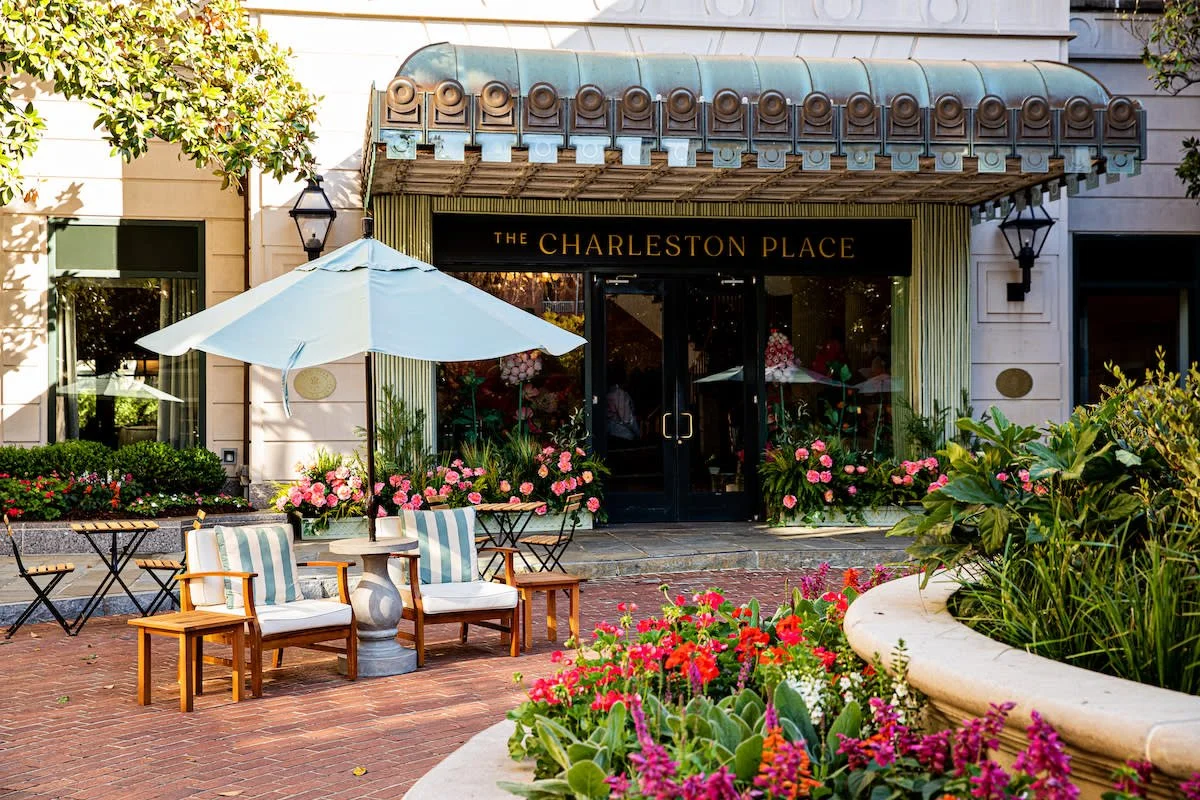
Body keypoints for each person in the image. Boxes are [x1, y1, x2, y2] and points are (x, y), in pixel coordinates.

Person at [606, 365, 638, 441]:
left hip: (610, 432)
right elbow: (627, 419)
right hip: (621, 435)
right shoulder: (620, 394)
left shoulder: (608, 392)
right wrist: (638, 433)